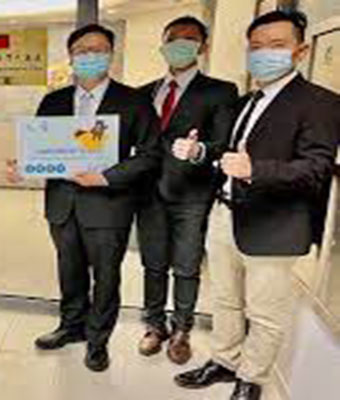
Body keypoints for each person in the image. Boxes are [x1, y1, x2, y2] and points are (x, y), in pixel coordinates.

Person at [174, 11, 337, 400]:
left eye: (277, 45)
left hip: (275, 224)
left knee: (264, 313)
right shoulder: (248, 101)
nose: (264, 54)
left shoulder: (321, 102)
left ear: (301, 50)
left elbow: (316, 169)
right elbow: (230, 152)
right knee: (225, 300)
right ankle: (225, 360)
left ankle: (251, 378)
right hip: (225, 214)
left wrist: (255, 170)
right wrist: (200, 152)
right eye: (257, 46)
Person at [7, 24, 160, 372]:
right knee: (70, 270)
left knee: (106, 276)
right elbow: (40, 149)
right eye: (82, 51)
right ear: (71, 57)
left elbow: (151, 155)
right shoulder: (53, 101)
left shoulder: (134, 101)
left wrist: (106, 177)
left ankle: (97, 340)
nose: (90, 56)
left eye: (98, 49)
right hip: (62, 204)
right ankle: (71, 326)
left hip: (108, 205)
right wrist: (23, 166)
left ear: (111, 54)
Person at [135, 16, 238, 364]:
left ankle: (181, 329)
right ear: (162, 46)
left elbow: (223, 144)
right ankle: (154, 324)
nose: (179, 44)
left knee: (186, 266)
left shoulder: (220, 91)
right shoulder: (143, 93)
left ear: (203, 47)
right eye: (172, 39)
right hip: (148, 193)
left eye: (189, 39)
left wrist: (199, 151)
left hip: (191, 195)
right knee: (152, 264)